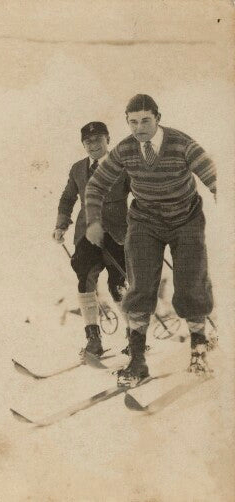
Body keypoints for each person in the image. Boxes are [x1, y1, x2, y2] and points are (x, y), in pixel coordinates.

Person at [85, 95, 217, 386]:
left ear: (158, 118)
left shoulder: (181, 143)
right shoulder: (125, 149)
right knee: (140, 286)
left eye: (145, 120)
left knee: (191, 282)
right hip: (145, 222)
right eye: (133, 122)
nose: (139, 127)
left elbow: (214, 175)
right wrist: (93, 220)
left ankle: (198, 350)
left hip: (186, 219)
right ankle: (137, 361)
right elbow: (96, 185)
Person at [53, 122, 129, 359]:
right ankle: (93, 339)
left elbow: (140, 192)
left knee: (118, 283)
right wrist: (61, 225)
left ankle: (135, 335)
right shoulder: (78, 169)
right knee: (85, 279)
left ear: (108, 140)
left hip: (117, 233)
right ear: (83, 144)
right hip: (86, 233)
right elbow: (68, 198)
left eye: (98, 140)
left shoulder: (123, 165)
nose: (93, 145)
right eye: (88, 142)